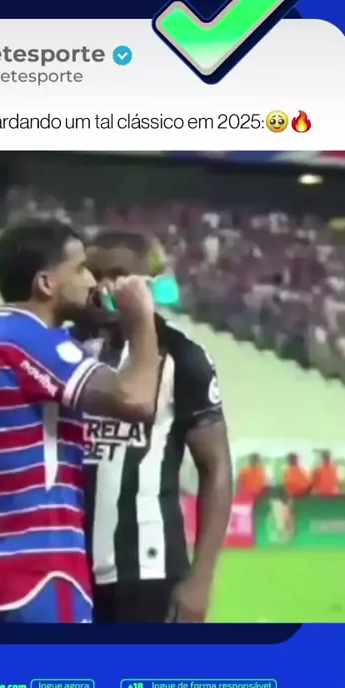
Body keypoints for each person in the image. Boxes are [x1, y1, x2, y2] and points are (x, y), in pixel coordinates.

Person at [0, 220, 159, 623]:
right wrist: (141, 319)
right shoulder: (30, 339)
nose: (91, 280)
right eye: (80, 269)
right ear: (46, 283)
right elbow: (136, 399)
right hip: (42, 572)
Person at [72, 231, 233, 624]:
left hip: (149, 572)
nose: (104, 286)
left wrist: (201, 581)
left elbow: (216, 466)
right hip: (65, 570)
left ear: (151, 283)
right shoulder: (61, 350)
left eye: (118, 275)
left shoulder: (183, 357)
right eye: (94, 273)